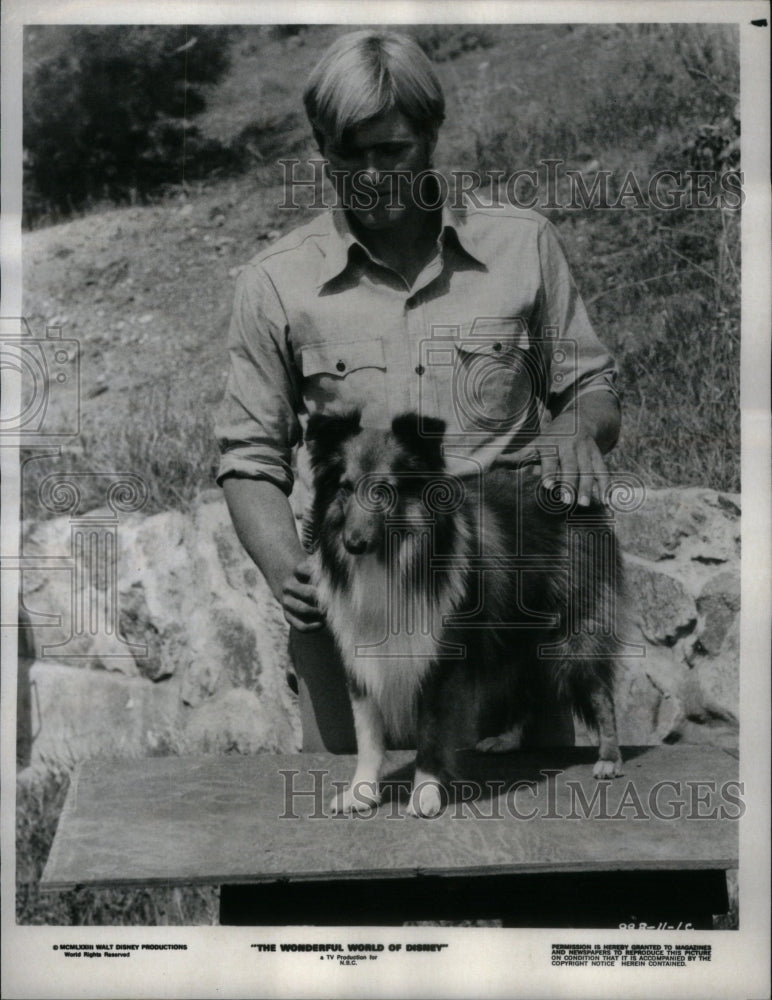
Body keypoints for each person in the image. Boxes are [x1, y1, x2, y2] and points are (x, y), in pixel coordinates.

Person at [215, 29, 620, 753]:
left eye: (391, 152)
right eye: (348, 154)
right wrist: (289, 569)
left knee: (544, 851)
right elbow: (249, 461)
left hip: (505, 622)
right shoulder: (274, 283)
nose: (370, 176)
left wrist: (578, 426)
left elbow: (590, 387)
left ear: (432, 135)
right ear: (320, 145)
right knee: (351, 848)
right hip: (359, 626)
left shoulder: (521, 246)